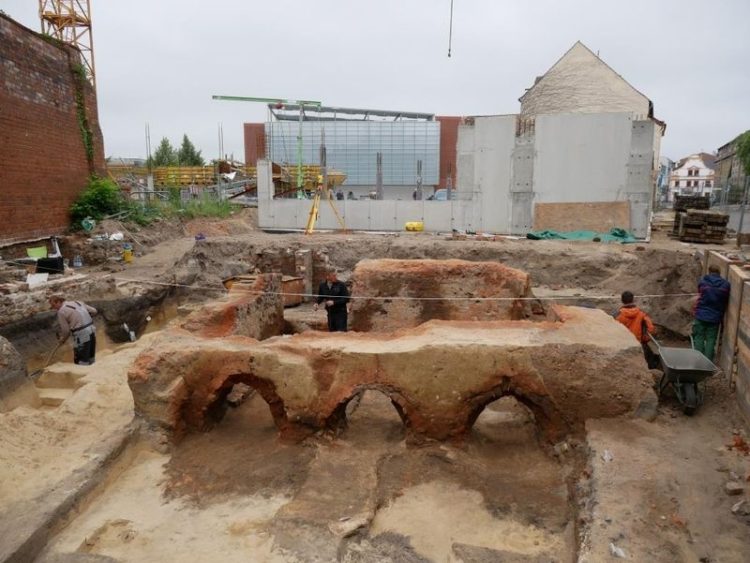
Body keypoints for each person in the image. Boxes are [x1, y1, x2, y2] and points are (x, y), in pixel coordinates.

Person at [692, 265, 730, 361]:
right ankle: (707, 362)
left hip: (701, 314)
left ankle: (698, 360)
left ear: (709, 271)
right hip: (715, 317)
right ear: (719, 273)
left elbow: (700, 293)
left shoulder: (703, 282)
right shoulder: (726, 285)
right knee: (711, 339)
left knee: (699, 337)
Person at [615, 291, 659, 369]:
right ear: (633, 300)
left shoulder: (617, 315)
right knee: (650, 363)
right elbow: (651, 328)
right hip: (639, 344)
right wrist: (645, 339)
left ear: (622, 300)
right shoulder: (641, 314)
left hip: (622, 345)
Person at [49, 294, 97, 365]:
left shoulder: (61, 311)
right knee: (90, 359)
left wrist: (62, 340)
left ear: (59, 302)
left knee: (81, 362)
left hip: (81, 335)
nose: (54, 308)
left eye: (53, 306)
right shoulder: (78, 302)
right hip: (92, 331)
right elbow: (94, 311)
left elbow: (66, 331)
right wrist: (84, 319)